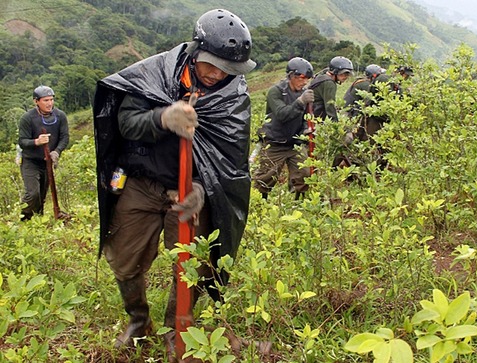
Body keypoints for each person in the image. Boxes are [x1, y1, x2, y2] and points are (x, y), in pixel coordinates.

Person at [92, 8, 255, 360]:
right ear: (196, 50)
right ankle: (138, 320)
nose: (217, 74)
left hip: (191, 191)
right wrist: (163, 117)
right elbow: (126, 123)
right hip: (142, 182)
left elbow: (229, 162)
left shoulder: (234, 98)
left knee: (193, 264)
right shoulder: (155, 74)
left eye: (227, 69)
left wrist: (201, 189)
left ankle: (176, 327)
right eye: (211, 64)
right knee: (124, 256)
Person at [253, 57, 314, 200]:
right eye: (302, 78)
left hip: (295, 144)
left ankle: (299, 204)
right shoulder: (276, 91)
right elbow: (281, 114)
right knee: (265, 178)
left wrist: (306, 129)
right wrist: (300, 102)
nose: (304, 82)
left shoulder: (303, 93)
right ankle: (260, 205)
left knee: (304, 175)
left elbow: (307, 117)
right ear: (291, 76)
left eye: (307, 79)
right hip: (275, 143)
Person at [18, 86, 69, 221]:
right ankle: (24, 219)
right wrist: (36, 142)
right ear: (36, 101)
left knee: (41, 196)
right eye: (45, 100)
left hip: (47, 162)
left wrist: (56, 152)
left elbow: (65, 137)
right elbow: (22, 141)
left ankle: (38, 223)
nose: (49, 103)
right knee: (32, 194)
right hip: (30, 161)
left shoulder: (60, 116)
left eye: (51, 100)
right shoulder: (28, 118)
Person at [309, 56, 354, 122]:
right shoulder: (329, 83)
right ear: (335, 71)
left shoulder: (322, 76)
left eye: (348, 74)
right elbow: (330, 106)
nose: (346, 77)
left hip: (310, 113)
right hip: (313, 116)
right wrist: (335, 124)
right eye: (344, 73)